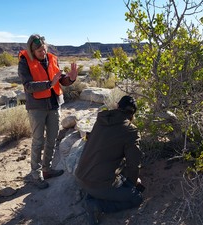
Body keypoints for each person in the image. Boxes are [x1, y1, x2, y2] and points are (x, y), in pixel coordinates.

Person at [18, 34, 78, 189]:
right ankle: (36, 175)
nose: (42, 52)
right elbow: (28, 86)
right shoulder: (24, 62)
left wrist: (71, 78)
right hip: (36, 107)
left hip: (54, 105)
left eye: (43, 49)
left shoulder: (52, 58)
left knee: (52, 139)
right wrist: (49, 84)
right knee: (38, 141)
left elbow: (60, 79)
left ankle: (47, 169)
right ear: (31, 50)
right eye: (38, 50)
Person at [75, 95, 144, 224]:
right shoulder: (130, 130)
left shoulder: (101, 119)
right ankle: (97, 206)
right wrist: (132, 184)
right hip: (98, 183)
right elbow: (133, 164)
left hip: (80, 176)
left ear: (117, 106)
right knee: (136, 197)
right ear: (133, 114)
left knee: (117, 175)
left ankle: (93, 194)